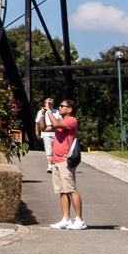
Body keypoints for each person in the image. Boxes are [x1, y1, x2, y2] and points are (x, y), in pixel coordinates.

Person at [48, 98, 85, 230]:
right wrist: (43, 114)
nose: (59, 108)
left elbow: (56, 124)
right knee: (62, 191)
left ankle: (80, 220)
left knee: (71, 189)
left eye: (62, 106)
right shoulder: (61, 121)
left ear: (69, 109)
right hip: (56, 160)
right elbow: (43, 128)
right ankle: (66, 219)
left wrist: (49, 111)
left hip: (65, 160)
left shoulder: (71, 120)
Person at [35, 98, 59, 171]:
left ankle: (55, 164)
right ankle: (50, 166)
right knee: (49, 150)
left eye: (50, 103)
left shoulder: (57, 112)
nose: (49, 105)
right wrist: (37, 132)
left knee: (56, 150)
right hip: (46, 133)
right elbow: (37, 122)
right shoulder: (41, 112)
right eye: (48, 103)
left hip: (56, 134)